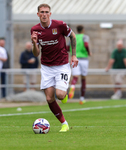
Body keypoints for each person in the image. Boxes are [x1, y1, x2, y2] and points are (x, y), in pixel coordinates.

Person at [31, 4, 78, 132]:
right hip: (46, 67)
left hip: (62, 65)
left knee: (60, 95)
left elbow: (72, 36)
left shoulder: (60, 25)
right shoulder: (35, 30)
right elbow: (36, 53)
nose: (44, 14)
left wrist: (73, 55)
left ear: (50, 14)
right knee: (49, 98)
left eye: (46, 12)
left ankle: (64, 94)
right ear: (38, 14)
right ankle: (64, 124)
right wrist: (34, 43)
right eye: (42, 12)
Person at [68, 25, 92, 105]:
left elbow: (67, 47)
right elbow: (86, 44)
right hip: (84, 58)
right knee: (83, 78)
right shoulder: (84, 37)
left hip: (75, 58)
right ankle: (82, 98)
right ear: (83, 30)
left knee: (75, 76)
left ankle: (72, 86)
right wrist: (88, 52)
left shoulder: (73, 36)